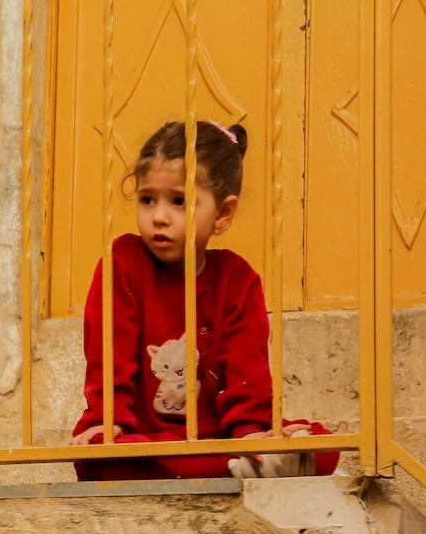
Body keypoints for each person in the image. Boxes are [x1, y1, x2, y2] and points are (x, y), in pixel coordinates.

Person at [69, 118, 339, 482]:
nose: (159, 217)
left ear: (223, 213)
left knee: (325, 448)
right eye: (147, 199)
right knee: (105, 457)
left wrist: (251, 434)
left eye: (180, 201)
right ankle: (244, 469)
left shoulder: (237, 280)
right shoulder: (122, 266)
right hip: (141, 439)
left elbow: (249, 376)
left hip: (215, 438)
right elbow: (108, 361)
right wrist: (109, 423)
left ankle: (246, 461)